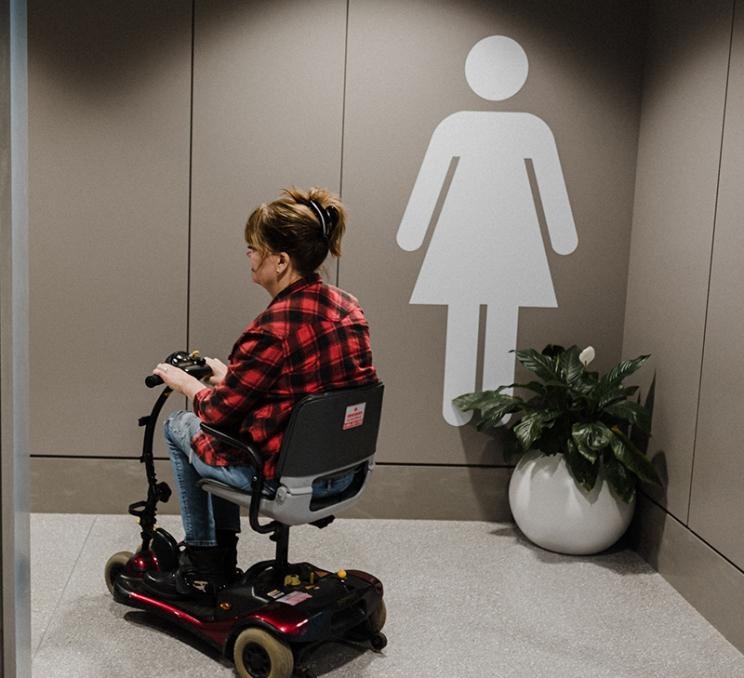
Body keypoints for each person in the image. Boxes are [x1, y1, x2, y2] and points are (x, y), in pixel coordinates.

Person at [143, 187, 378, 601]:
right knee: (213, 429)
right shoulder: (348, 308)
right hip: (342, 472)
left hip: (283, 479)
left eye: (254, 249)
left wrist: (188, 385)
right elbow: (306, 387)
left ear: (281, 261)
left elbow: (218, 414)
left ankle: (204, 561)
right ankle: (218, 551)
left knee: (182, 425)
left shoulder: (271, 330)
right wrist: (231, 375)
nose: (249, 257)